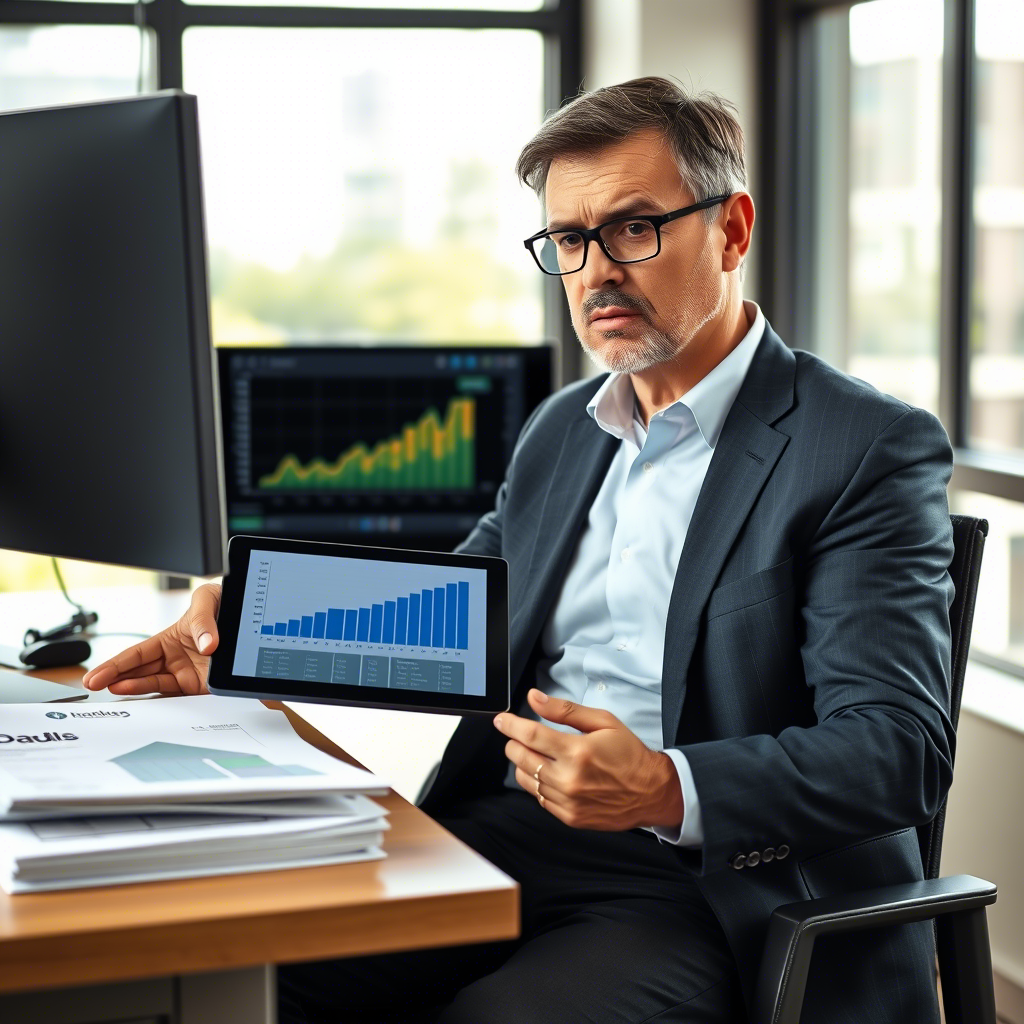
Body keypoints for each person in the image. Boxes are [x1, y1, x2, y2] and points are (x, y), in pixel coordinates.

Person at [84, 77, 955, 1024]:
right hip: (505, 831)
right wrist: (244, 625)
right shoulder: (562, 430)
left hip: (702, 883)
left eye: (633, 228)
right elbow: (453, 623)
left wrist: (667, 786)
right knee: (242, 971)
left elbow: (898, 750)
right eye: (570, 242)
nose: (596, 272)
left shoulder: (862, 444)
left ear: (733, 230)